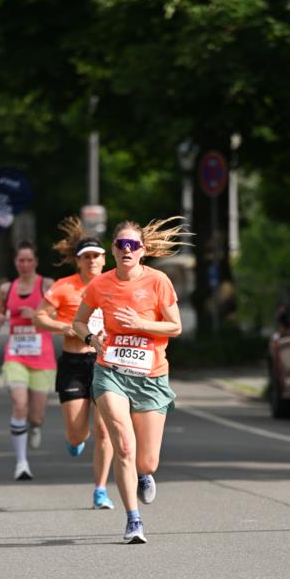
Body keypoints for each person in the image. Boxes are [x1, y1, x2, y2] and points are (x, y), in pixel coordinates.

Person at [72, 217, 190, 544]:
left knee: (147, 459)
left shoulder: (158, 281)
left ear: (143, 250)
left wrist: (140, 323)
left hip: (151, 377)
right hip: (110, 373)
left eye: (132, 245)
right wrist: (91, 339)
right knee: (123, 444)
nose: (126, 250)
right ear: (113, 250)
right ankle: (133, 520)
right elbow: (79, 321)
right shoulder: (100, 285)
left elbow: (175, 327)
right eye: (121, 245)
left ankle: (144, 474)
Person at [33, 218, 114, 509]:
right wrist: (64, 327)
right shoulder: (64, 287)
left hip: (106, 364)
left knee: (105, 431)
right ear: (78, 262)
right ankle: (75, 440)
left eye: (96, 255)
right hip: (74, 363)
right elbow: (38, 317)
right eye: (86, 257)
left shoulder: (115, 285)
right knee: (78, 432)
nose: (92, 261)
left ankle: (101, 489)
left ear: (105, 259)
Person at [0, 241, 55, 480]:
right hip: (15, 355)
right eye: (21, 260)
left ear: (36, 262)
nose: (25, 264)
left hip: (42, 357)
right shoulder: (7, 289)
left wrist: (40, 316)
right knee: (20, 404)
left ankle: (35, 427)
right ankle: (21, 463)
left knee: (36, 416)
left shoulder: (46, 285)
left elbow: (62, 314)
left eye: (30, 260)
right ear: (15, 262)